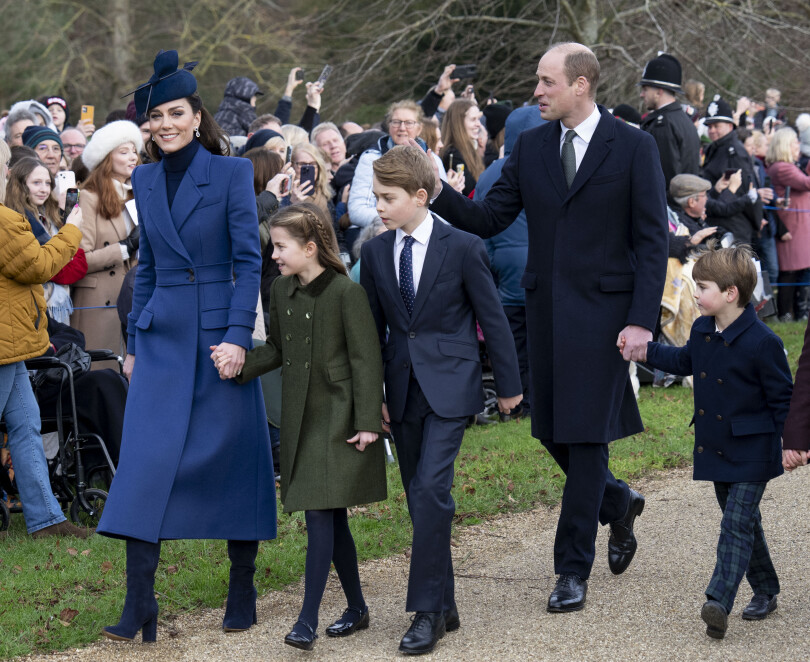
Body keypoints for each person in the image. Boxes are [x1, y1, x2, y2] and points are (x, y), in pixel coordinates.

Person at [429, 42, 668, 613]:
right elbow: (488, 219)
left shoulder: (633, 146)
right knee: (550, 430)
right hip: (542, 314)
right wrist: (435, 189)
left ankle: (570, 569)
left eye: (546, 81)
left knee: (585, 437)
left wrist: (641, 321)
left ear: (581, 84)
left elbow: (652, 241)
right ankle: (617, 501)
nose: (536, 91)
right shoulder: (532, 146)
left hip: (607, 319)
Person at [96, 49, 275, 642]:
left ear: (197, 116)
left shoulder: (230, 174)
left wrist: (234, 338)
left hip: (217, 337)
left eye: (177, 113)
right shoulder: (143, 178)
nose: (166, 124)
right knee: (145, 465)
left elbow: (249, 263)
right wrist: (134, 338)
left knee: (232, 458)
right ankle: (139, 601)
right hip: (162, 336)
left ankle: (242, 584)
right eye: (157, 116)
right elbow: (146, 264)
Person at [360, 145, 522, 655]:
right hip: (401, 393)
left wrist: (511, 386)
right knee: (419, 498)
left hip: (452, 388)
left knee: (431, 491)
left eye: (388, 198)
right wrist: (374, 398)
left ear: (421, 196)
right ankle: (446, 602)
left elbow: (492, 319)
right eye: (375, 198)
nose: (379, 208)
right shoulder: (374, 252)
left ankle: (426, 612)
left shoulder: (464, 246)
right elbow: (372, 335)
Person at [221, 202, 384, 651]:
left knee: (319, 514)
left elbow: (365, 359)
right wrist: (239, 364)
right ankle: (357, 607)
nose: (273, 255)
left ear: (310, 248)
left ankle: (307, 620)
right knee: (333, 518)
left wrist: (369, 421)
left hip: (339, 418)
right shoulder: (280, 292)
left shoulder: (346, 293)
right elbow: (276, 349)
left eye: (280, 246)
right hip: (302, 417)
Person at [640, 245, 791, 639]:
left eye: (701, 287)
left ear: (730, 293)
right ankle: (767, 590)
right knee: (744, 523)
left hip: (754, 450)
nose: (695, 293)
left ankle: (718, 601)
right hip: (717, 446)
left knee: (734, 525)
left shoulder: (763, 342)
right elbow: (684, 361)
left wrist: (791, 442)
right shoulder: (703, 329)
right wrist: (645, 350)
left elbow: (782, 399)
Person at [0, 139, 91, 538]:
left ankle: (45, 520)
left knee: (26, 425)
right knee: (23, 426)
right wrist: (72, 229)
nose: (5, 171)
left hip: (13, 341)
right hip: (4, 341)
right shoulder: (3, 220)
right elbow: (38, 265)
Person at [476, 106, 547, 416]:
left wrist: (496, 264)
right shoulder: (548, 165)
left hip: (507, 274)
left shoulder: (491, 172)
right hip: (544, 270)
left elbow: (480, 224)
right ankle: (545, 404)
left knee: (513, 344)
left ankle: (518, 406)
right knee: (546, 343)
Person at [70, 120, 142, 356]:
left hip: (134, 299)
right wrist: (125, 247)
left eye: (134, 151)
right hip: (99, 303)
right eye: (124, 152)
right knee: (103, 377)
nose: (133, 157)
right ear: (106, 159)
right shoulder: (89, 198)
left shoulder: (139, 195)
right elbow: (79, 258)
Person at [5, 157, 87, 323]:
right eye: (36, 183)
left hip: (58, 305)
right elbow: (51, 268)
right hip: (33, 309)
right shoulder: (16, 221)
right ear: (20, 185)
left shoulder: (51, 216)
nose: (44, 189)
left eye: (48, 183)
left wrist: (66, 219)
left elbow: (79, 264)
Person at [348, 100, 446, 231]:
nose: (402, 127)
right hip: (380, 231)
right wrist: (400, 222)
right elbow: (357, 209)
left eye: (409, 123)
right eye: (396, 122)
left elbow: (442, 209)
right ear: (389, 126)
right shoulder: (371, 158)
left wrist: (414, 224)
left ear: (419, 128)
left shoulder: (433, 160)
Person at [701, 96, 762, 246]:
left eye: (717, 126)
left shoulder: (735, 152)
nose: (712, 130)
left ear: (729, 125)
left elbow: (745, 190)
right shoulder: (712, 149)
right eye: (709, 127)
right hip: (718, 221)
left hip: (734, 225)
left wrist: (756, 221)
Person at [638, 53, 701, 195]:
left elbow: (663, 177)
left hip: (668, 208)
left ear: (659, 92)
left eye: (645, 89)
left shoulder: (664, 125)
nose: (642, 94)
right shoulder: (682, 120)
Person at [766, 128, 810, 321]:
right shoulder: (782, 168)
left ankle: (796, 312)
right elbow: (806, 183)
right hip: (791, 227)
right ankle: (785, 313)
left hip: (798, 226)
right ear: (784, 145)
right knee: (790, 271)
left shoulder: (786, 166)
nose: (798, 146)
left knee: (798, 270)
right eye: (794, 142)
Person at [440, 99, 485, 197]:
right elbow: (472, 192)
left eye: (478, 119)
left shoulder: (469, 150)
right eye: (473, 119)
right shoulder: (453, 155)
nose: (479, 124)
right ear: (459, 123)